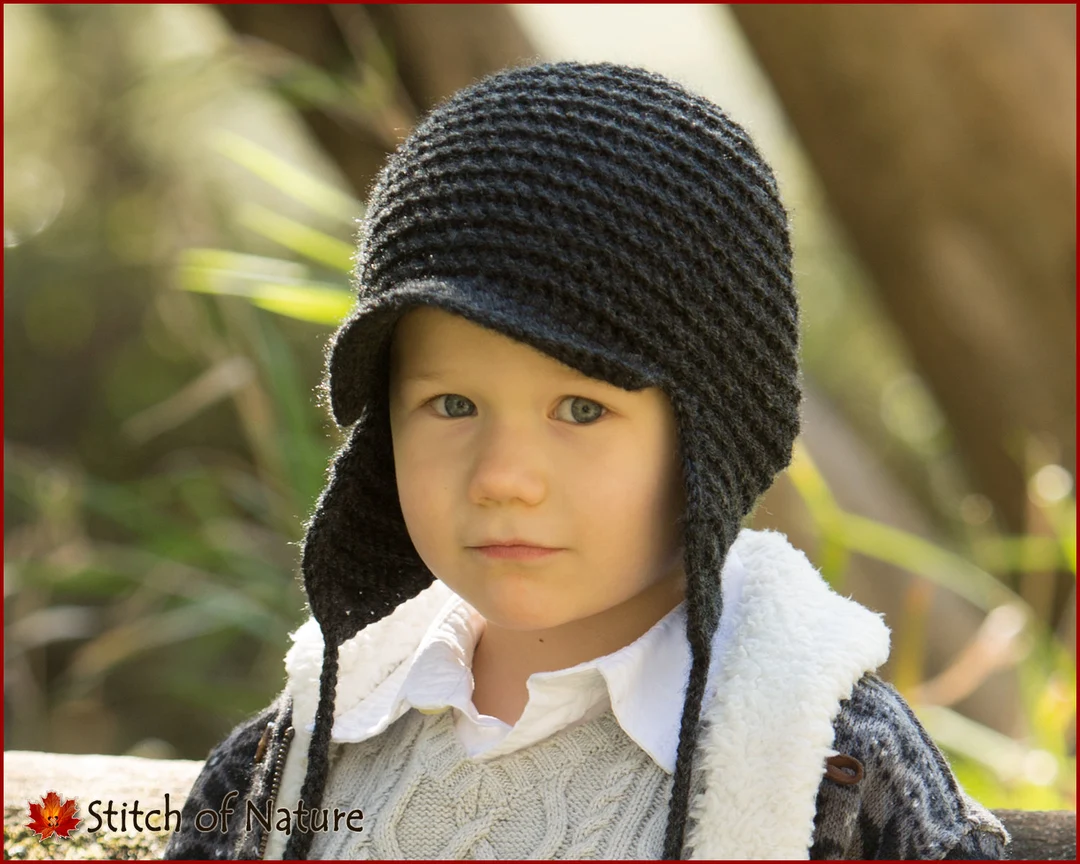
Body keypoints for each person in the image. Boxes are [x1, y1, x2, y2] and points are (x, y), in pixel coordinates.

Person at [163, 60, 1008, 860]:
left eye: (581, 408)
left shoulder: (829, 760)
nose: (502, 478)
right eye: (451, 405)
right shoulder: (304, 745)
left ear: (714, 430)